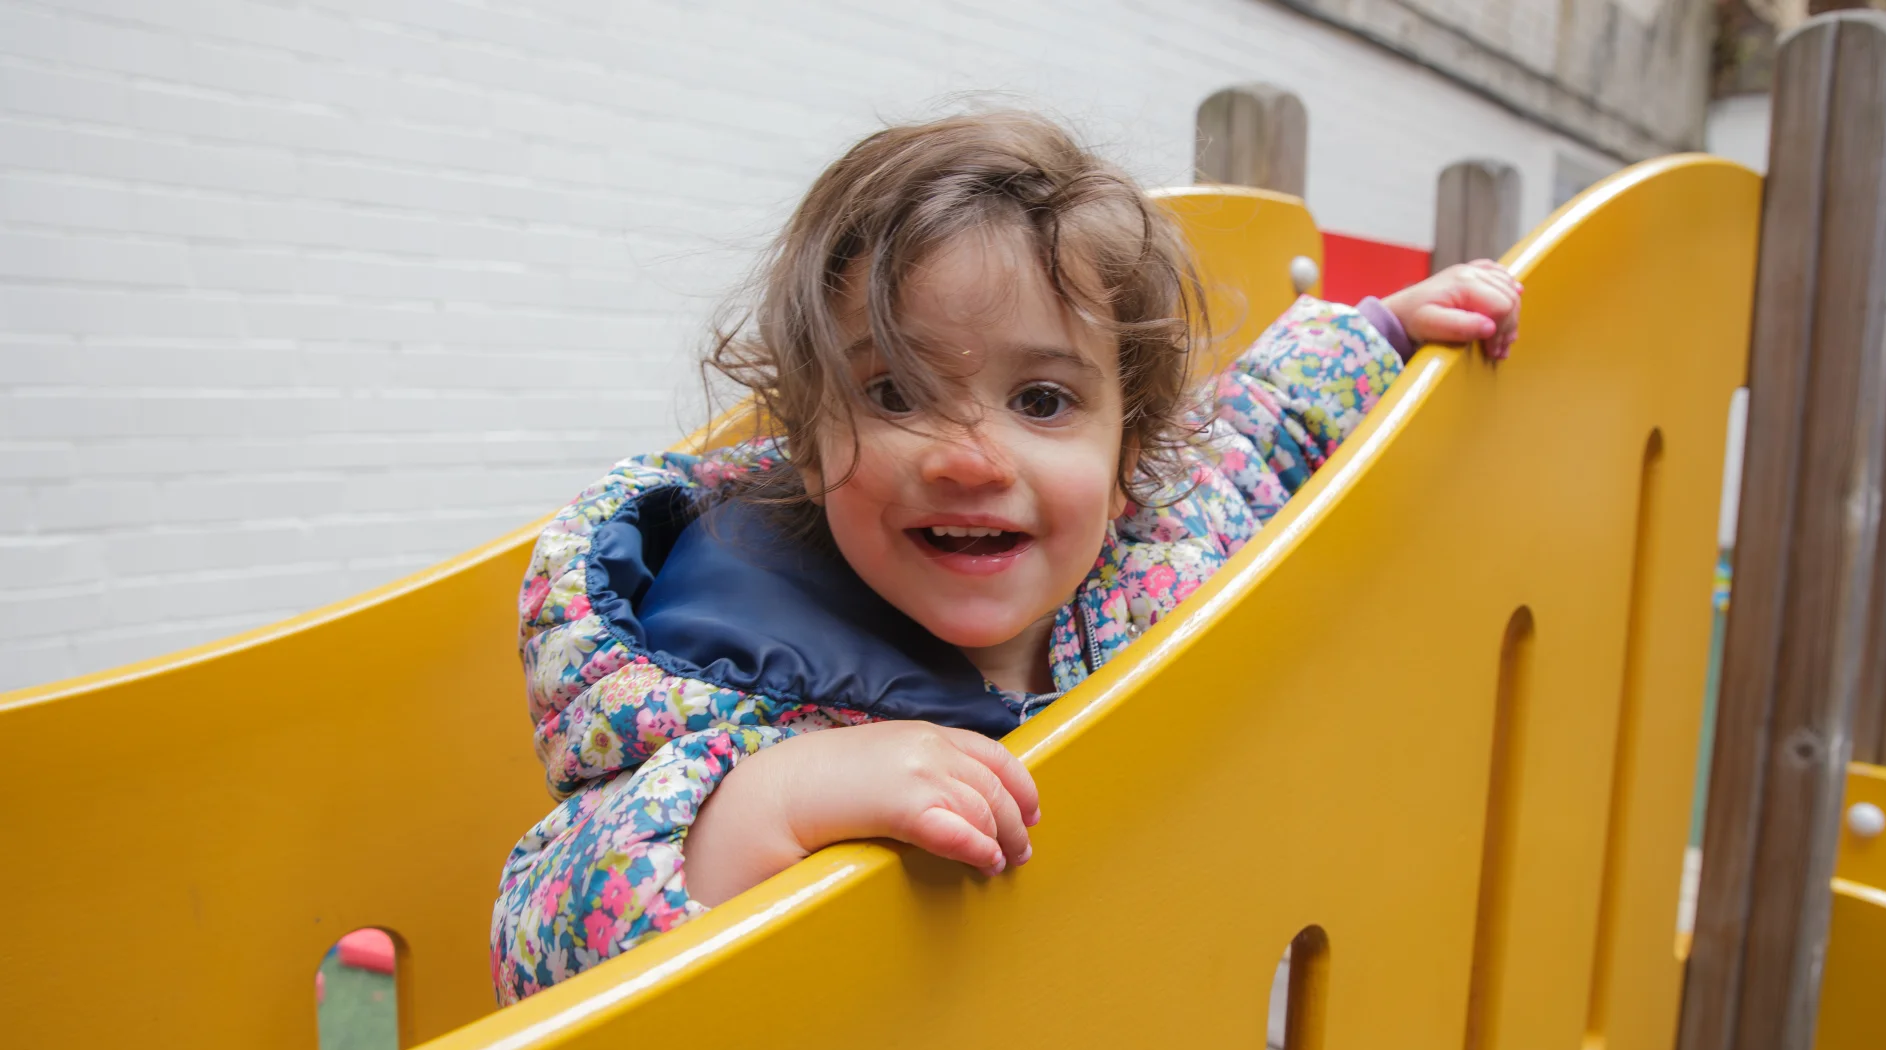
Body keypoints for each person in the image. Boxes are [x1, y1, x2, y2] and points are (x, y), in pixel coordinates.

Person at [490, 111, 1519, 1002]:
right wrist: (768, 803)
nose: (972, 460)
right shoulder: (722, 653)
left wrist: (1382, 330)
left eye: (1042, 401)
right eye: (895, 392)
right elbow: (546, 936)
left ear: (1130, 457)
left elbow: (1258, 428)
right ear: (807, 442)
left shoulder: (1151, 545)